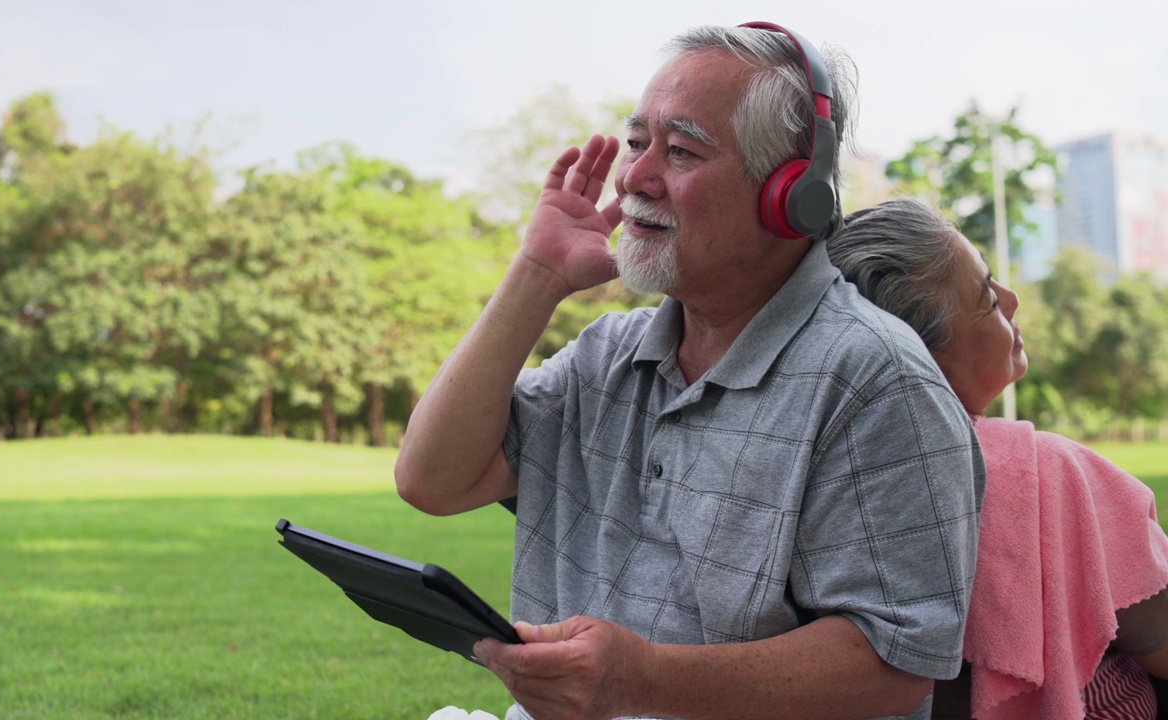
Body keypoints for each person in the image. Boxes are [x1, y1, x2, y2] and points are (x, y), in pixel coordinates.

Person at [396, 24, 984, 720]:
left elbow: (896, 665)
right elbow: (433, 479)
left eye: (679, 150)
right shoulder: (606, 356)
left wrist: (643, 679)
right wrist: (537, 274)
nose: (634, 177)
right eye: (637, 142)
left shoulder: (875, 379)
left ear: (791, 193)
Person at [826, 197, 1168, 719]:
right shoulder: (1047, 474)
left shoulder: (829, 480)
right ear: (919, 354)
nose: (1012, 300)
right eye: (986, 297)